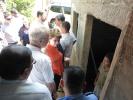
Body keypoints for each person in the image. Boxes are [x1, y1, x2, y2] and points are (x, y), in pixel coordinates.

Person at [27, 26, 55, 94]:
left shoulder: (21, 53)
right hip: (41, 94)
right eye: (47, 38)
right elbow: (50, 84)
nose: (49, 40)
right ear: (40, 41)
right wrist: (53, 94)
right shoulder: (44, 59)